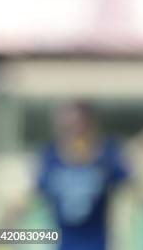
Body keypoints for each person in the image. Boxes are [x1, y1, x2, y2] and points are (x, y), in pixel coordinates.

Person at [37, 101, 130, 250]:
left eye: (79, 127)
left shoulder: (107, 158)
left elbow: (141, 192)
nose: (74, 134)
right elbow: (22, 203)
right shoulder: (50, 160)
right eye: (68, 128)